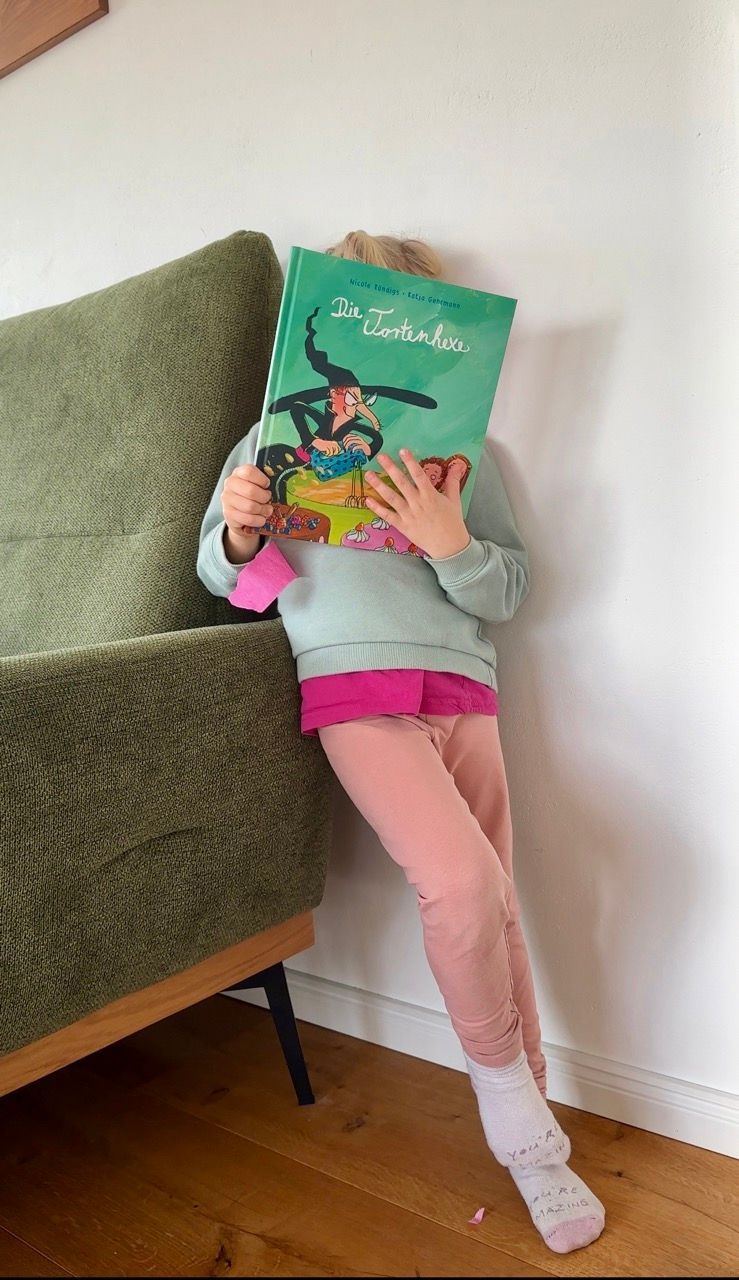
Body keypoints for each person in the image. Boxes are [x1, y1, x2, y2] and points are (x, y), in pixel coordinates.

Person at [197, 230, 605, 1255]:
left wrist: (450, 541)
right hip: (353, 687)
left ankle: (536, 1138)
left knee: (496, 899)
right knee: (461, 889)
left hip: (462, 682)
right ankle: (511, 1115)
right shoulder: (267, 442)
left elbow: (509, 588)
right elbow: (221, 577)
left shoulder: (466, 455)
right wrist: (241, 529)